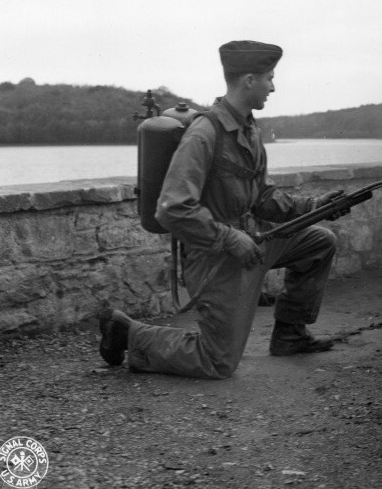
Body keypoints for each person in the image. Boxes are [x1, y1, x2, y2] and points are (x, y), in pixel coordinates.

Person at [99, 40, 342, 379]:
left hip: (252, 241)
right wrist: (229, 238)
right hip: (214, 254)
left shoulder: (249, 129)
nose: (273, 86)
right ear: (248, 80)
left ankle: (290, 335)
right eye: (269, 78)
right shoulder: (205, 133)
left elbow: (262, 198)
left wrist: (314, 206)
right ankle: (129, 332)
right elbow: (171, 209)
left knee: (319, 240)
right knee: (218, 360)